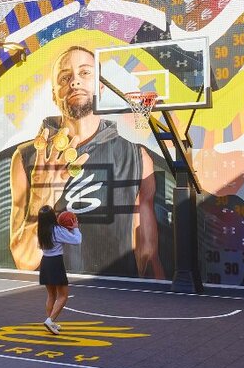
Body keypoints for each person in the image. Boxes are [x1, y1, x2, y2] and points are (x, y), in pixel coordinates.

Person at [9, 45, 163, 278]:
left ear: (100, 87)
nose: (75, 82)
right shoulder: (26, 158)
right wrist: (42, 198)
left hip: (117, 298)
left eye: (85, 73)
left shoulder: (137, 158)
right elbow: (25, 261)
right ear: (53, 94)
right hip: (55, 298)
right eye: (65, 77)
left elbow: (148, 253)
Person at [37, 206, 81, 335]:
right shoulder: (57, 230)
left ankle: (50, 321)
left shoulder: (40, 230)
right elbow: (77, 240)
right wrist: (75, 228)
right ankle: (50, 321)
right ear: (53, 216)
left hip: (45, 262)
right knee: (63, 295)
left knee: (51, 295)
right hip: (55, 263)